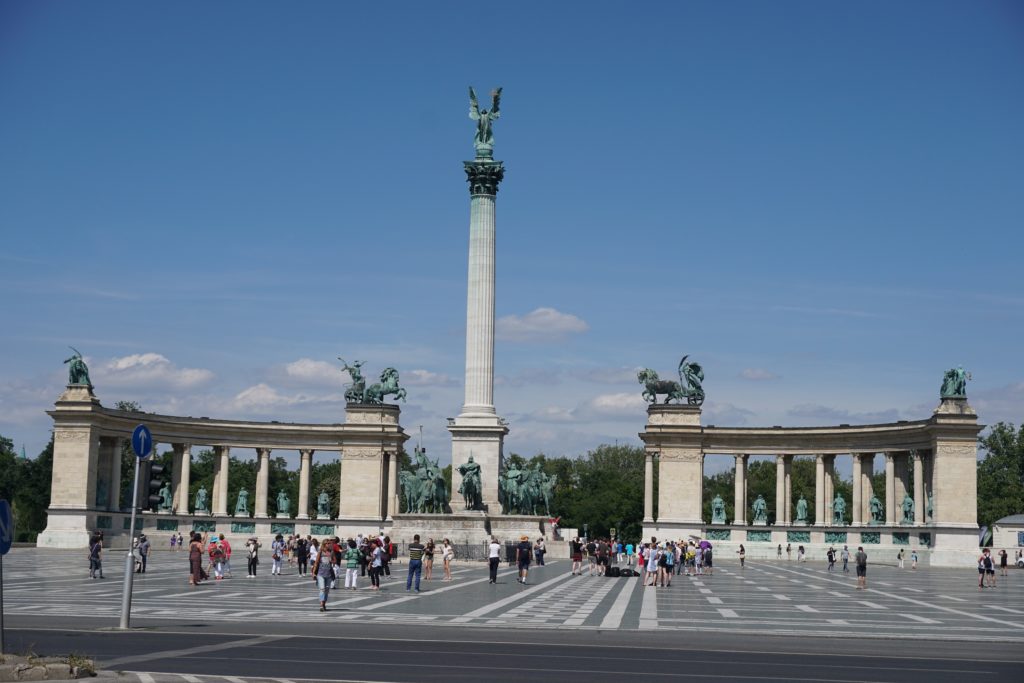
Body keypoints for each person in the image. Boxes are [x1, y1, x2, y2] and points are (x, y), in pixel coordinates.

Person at [311, 539, 336, 612]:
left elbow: (335, 561)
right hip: (320, 574)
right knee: (322, 589)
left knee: (327, 590)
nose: (329, 544)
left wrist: (332, 560)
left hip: (328, 574)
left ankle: (324, 603)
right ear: (324, 544)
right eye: (327, 543)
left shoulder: (331, 552)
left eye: (329, 543)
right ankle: (321, 604)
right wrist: (314, 573)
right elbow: (316, 562)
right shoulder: (320, 552)